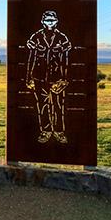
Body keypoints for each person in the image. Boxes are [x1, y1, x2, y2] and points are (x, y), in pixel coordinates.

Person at [25, 10, 70, 143]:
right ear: (42, 22)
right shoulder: (36, 37)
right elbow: (31, 58)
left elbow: (66, 60)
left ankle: (59, 131)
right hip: (39, 78)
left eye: (52, 20)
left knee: (58, 105)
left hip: (57, 78)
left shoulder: (62, 38)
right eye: (47, 20)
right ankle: (46, 131)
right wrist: (29, 78)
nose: (50, 23)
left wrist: (65, 79)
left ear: (56, 21)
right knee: (42, 105)